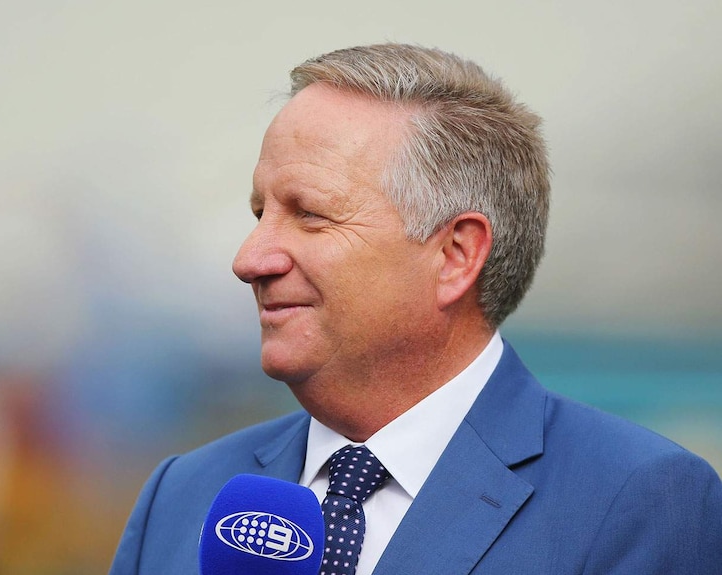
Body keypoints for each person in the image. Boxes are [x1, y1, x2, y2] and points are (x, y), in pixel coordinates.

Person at [109, 44, 722, 574]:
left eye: (311, 215)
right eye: (259, 214)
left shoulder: (639, 500)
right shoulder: (184, 494)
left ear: (456, 255)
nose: (251, 258)